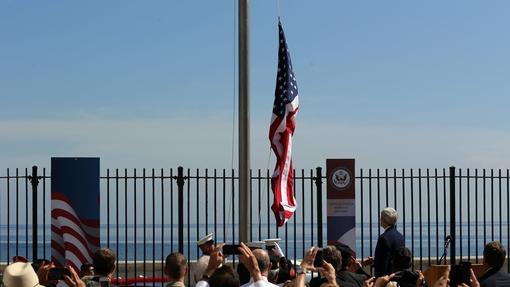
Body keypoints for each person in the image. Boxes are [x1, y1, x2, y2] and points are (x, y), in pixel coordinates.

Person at [371, 207, 405, 277]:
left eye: (381, 218)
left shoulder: (383, 238)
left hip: (387, 278)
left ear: (384, 220)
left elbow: (382, 263)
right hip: (398, 276)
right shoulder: (400, 236)